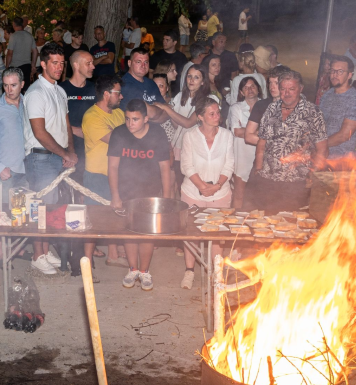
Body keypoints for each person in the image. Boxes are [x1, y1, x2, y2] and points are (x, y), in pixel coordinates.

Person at [107, 99, 173, 290]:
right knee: (129, 232)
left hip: (150, 192)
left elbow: (165, 167)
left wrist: (166, 199)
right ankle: (133, 269)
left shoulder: (157, 133)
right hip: (126, 190)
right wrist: (115, 195)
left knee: (146, 234)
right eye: (127, 119)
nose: (130, 124)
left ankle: (144, 271)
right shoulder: (119, 133)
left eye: (135, 119)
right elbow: (112, 167)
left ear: (145, 119)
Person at [23, 43, 75, 275]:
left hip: (57, 155)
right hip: (41, 157)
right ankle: (37, 255)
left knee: (51, 207)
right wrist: (64, 153)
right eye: (54, 63)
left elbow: (66, 125)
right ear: (43, 64)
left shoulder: (60, 91)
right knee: (40, 208)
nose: (59, 67)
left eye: (62, 63)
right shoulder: (36, 92)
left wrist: (71, 151)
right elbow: (39, 133)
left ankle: (44, 252)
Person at [248, 70, 327, 212]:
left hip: (296, 182)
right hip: (267, 179)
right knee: (263, 219)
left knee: (290, 221)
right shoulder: (271, 109)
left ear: (300, 88)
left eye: (292, 89)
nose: (287, 93)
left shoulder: (312, 112)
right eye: (283, 89)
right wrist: (258, 169)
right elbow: (262, 142)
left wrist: (313, 174)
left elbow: (322, 148)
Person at [179, 98, 235, 288]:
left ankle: (216, 274)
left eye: (218, 112)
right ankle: (189, 271)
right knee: (191, 233)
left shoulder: (226, 135)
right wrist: (202, 186)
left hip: (220, 193)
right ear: (200, 117)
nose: (217, 116)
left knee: (217, 234)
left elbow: (229, 164)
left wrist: (217, 186)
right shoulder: (190, 136)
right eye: (212, 113)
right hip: (192, 192)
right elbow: (186, 165)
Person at [80, 75, 125, 267]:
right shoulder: (92, 116)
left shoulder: (119, 113)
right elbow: (119, 140)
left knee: (114, 216)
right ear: (106, 94)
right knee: (94, 220)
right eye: (118, 93)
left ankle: (113, 255)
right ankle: (87, 261)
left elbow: (126, 137)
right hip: (96, 176)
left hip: (116, 174)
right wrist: (123, 134)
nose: (121, 96)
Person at [0, 68, 28, 208]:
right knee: (4, 213)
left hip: (28, 168)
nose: (9, 90)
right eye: (5, 85)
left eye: (13, 85)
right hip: (7, 171)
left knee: (26, 213)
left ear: (22, 84)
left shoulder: (29, 103)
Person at [319, 54, 356, 161]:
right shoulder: (327, 95)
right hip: (321, 156)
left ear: (350, 75)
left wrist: (317, 145)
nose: (335, 74)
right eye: (333, 70)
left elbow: (344, 136)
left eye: (340, 71)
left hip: (341, 160)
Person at [61, 50, 97, 185]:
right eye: (88, 63)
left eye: (92, 63)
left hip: (91, 148)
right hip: (67, 149)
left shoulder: (95, 89)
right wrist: (74, 130)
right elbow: (52, 120)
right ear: (76, 65)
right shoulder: (60, 90)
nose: (93, 66)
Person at [228, 76, 261, 210]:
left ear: (258, 89)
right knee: (239, 194)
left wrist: (247, 131)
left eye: (252, 86)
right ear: (241, 92)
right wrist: (261, 132)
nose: (250, 90)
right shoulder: (236, 108)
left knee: (258, 196)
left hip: (261, 155)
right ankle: (235, 220)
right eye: (246, 88)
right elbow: (237, 131)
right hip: (242, 155)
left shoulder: (267, 106)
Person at [4, 17, 37, 85]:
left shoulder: (13, 36)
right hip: (27, 66)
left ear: (14, 24)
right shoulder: (29, 35)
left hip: (16, 66)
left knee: (16, 86)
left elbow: (10, 53)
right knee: (25, 86)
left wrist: (7, 66)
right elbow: (35, 51)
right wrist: (33, 65)